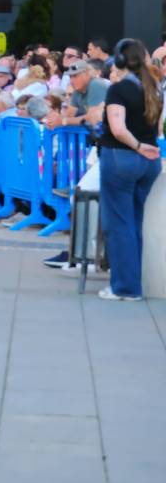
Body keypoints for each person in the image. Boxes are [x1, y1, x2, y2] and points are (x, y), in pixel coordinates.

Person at [96, 39, 162, 301]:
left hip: (122, 157)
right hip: (149, 162)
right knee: (135, 222)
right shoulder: (154, 88)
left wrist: (136, 146)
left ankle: (125, 287)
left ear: (120, 61)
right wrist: (144, 147)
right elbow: (156, 130)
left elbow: (118, 128)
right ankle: (134, 282)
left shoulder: (118, 90)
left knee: (119, 224)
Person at [62, 59, 108, 134]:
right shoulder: (78, 90)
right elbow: (69, 114)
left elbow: (93, 119)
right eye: (70, 77)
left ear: (87, 74)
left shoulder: (96, 84)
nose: (72, 80)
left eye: (75, 76)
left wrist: (63, 121)